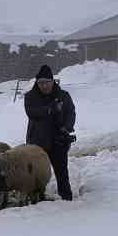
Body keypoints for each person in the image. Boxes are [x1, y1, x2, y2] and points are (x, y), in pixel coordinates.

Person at [24, 64, 76, 201]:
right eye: (41, 83)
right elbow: (32, 113)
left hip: (58, 140)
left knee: (61, 172)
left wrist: (67, 126)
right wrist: (50, 109)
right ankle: (35, 200)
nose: (44, 86)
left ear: (53, 81)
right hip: (37, 142)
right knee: (36, 173)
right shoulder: (30, 97)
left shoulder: (63, 96)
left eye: (47, 82)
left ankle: (67, 199)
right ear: (37, 83)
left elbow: (71, 112)